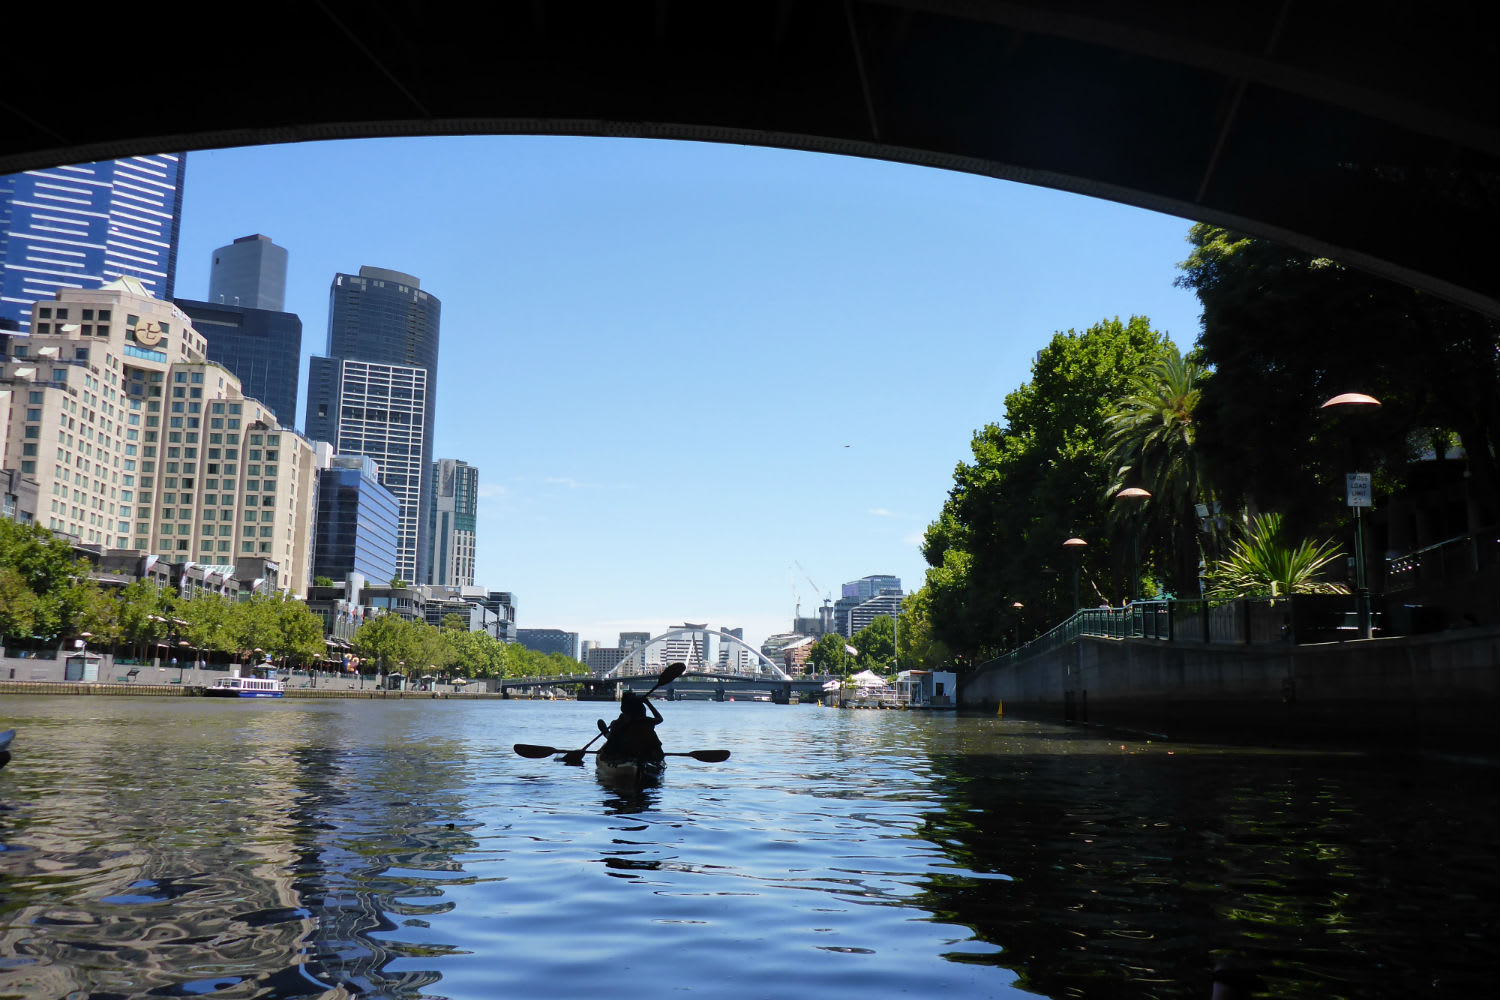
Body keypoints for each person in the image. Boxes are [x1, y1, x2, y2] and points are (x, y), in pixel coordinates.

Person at [601, 690, 664, 761]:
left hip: (628, 753)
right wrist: (648, 703)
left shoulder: (617, 724)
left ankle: (606, 733)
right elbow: (660, 718)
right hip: (641, 753)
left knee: (611, 736)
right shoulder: (647, 721)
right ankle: (606, 733)